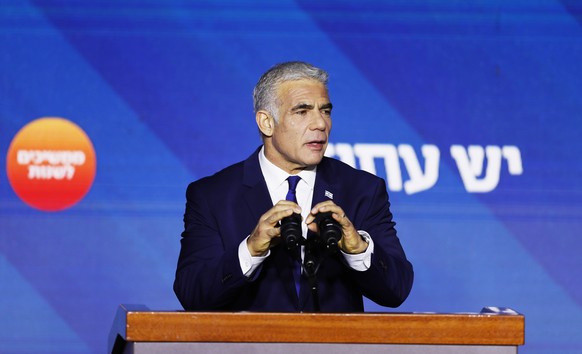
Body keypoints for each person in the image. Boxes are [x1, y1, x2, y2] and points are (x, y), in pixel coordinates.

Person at [174, 61, 413, 312]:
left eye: (326, 111)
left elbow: (396, 290)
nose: (320, 124)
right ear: (266, 122)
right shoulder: (213, 195)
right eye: (302, 111)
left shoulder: (362, 190)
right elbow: (192, 295)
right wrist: (250, 250)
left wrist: (358, 249)